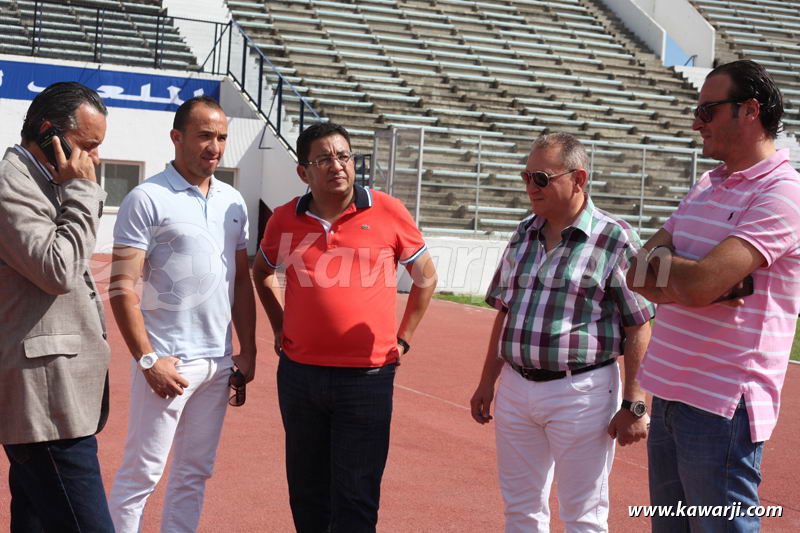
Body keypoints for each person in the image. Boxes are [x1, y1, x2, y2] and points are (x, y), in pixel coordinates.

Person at [628, 60, 800, 532]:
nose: (696, 122)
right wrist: (704, 282)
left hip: (723, 406)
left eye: (707, 110)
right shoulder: (707, 185)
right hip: (669, 392)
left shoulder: (782, 193)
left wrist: (695, 281)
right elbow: (636, 271)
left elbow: (697, 282)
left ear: (749, 110)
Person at [252, 122, 437, 533]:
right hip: (300, 376)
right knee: (307, 490)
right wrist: (281, 326)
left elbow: (425, 277)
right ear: (304, 172)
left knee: (356, 494)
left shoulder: (387, 210)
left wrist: (403, 339)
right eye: (323, 159)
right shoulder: (284, 219)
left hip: (367, 378)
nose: (337, 165)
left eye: (344, 156)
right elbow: (262, 272)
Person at [470, 133, 655, 532]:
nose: (530, 187)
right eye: (526, 177)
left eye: (541, 178)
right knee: (520, 509)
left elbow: (639, 321)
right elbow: (505, 311)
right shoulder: (523, 232)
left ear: (578, 179)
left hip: (582, 392)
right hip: (517, 390)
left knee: (584, 515)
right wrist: (488, 381)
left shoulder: (616, 237)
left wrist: (635, 403)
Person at [107, 96, 256, 533]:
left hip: (218, 362)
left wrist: (246, 351)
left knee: (194, 475)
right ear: (177, 137)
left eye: (222, 137)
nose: (215, 146)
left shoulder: (233, 201)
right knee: (141, 476)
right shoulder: (146, 198)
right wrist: (148, 359)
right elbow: (121, 287)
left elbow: (241, 283)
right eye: (205, 135)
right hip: (169, 362)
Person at [0, 82, 114, 531]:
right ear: (49, 133)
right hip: (47, 404)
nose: (96, 159)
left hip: (53, 394)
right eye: (88, 145)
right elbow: (58, 269)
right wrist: (84, 193)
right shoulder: (13, 185)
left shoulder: (43, 180)